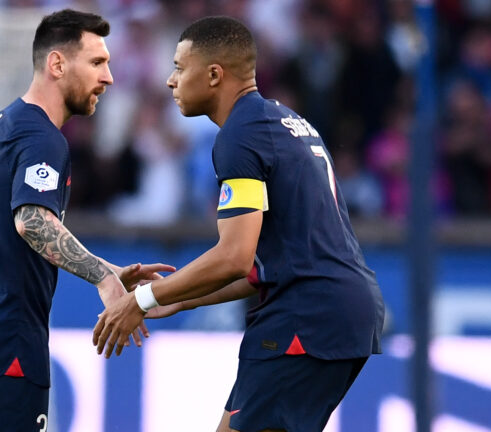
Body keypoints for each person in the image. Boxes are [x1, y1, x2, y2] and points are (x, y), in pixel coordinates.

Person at [93, 16, 385, 432]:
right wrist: (180, 298)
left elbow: (233, 256)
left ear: (213, 74)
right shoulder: (284, 123)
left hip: (305, 315)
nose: (170, 81)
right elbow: (263, 265)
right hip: (333, 310)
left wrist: (141, 301)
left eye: (179, 66)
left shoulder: (240, 136)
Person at [0, 9, 173, 432]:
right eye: (97, 63)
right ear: (57, 64)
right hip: (0, 355)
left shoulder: (3, 124)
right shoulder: (44, 139)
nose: (108, 77)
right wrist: (103, 280)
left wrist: (110, 270)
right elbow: (31, 220)